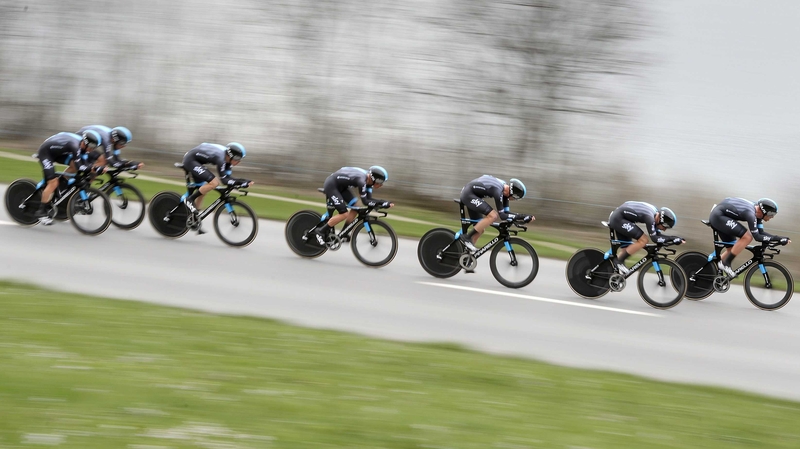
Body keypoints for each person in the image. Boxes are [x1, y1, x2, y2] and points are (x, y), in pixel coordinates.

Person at [708, 197, 790, 278]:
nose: (772, 217)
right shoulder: (750, 214)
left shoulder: (757, 213)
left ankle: (711, 270)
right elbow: (757, 237)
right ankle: (725, 264)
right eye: (771, 214)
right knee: (747, 237)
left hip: (722, 215)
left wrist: (780, 238)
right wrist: (778, 239)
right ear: (764, 211)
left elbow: (761, 233)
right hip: (718, 216)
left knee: (733, 248)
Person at [181, 142, 253, 233]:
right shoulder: (221, 159)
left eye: (240, 159)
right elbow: (224, 180)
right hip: (191, 160)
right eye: (237, 158)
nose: (239, 162)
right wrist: (241, 182)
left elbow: (229, 179)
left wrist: (242, 182)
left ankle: (195, 219)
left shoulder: (227, 160)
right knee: (214, 183)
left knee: (204, 189)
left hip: (197, 160)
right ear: (230, 155)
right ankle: (189, 199)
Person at [34, 130, 103, 225]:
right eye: (91, 147)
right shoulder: (74, 146)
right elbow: (81, 167)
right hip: (46, 153)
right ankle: (41, 212)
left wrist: (96, 168)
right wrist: (95, 168)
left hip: (58, 152)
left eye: (94, 148)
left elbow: (84, 164)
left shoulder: (82, 146)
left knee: (74, 166)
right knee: (53, 182)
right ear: (85, 143)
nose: (91, 150)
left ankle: (62, 185)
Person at [314, 166, 393, 246]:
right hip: (332, 185)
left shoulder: (368, 183)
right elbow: (365, 202)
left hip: (341, 186)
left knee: (356, 207)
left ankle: (344, 233)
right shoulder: (362, 181)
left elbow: (369, 199)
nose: (381, 185)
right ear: (374, 179)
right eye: (381, 181)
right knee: (344, 213)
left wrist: (383, 203)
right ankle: (320, 231)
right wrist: (382, 203)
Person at [458, 175, 533, 253]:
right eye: (516, 198)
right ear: (513, 194)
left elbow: (506, 213)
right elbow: (502, 216)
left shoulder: (505, 191)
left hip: (473, 195)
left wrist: (523, 217)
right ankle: (467, 238)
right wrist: (521, 216)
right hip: (468, 194)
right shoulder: (498, 191)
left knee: (480, 229)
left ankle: (467, 254)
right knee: (493, 216)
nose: (514, 200)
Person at [608, 201, 683, 275]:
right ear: (660, 220)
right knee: (643, 240)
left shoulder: (656, 213)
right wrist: (672, 238)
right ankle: (618, 261)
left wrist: (673, 239)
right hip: (618, 218)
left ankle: (614, 274)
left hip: (622, 217)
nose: (664, 229)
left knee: (627, 249)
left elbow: (658, 235)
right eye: (665, 226)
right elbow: (655, 238)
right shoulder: (650, 217)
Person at [77, 125, 143, 171]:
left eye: (126, 143)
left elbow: (117, 159)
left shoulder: (112, 138)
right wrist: (127, 165)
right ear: (115, 140)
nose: (124, 146)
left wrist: (131, 163)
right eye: (122, 143)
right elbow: (112, 162)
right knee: (103, 160)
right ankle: (83, 183)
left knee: (100, 164)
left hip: (87, 145)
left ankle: (87, 185)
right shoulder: (106, 139)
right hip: (79, 145)